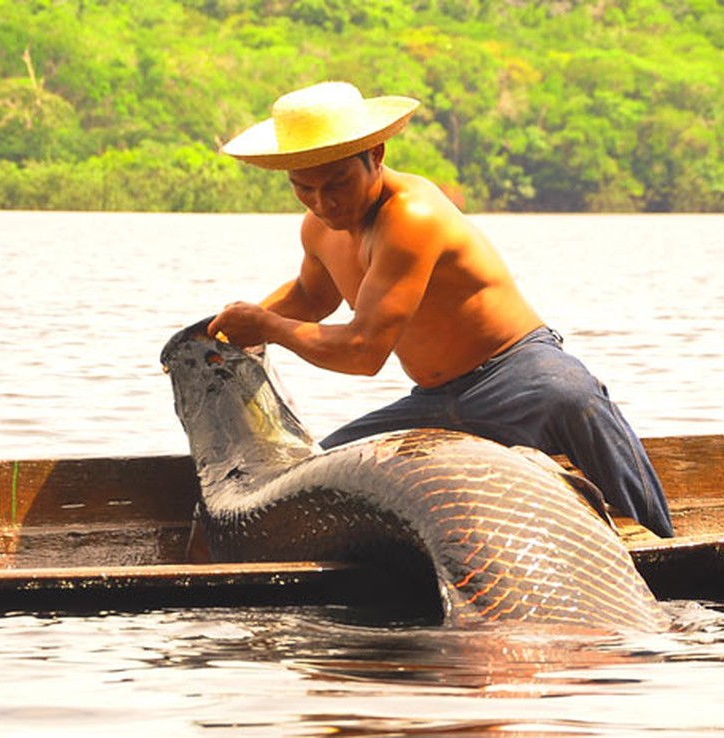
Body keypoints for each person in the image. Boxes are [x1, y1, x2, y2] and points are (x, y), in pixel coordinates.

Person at [209, 81, 674, 537]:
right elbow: (311, 299)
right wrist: (217, 336)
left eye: (338, 184)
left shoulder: (411, 217)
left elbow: (363, 353)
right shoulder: (318, 227)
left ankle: (661, 539)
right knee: (316, 475)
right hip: (437, 400)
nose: (324, 202)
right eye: (303, 188)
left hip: (521, 375)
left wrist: (268, 326)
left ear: (376, 156)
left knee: (573, 397)